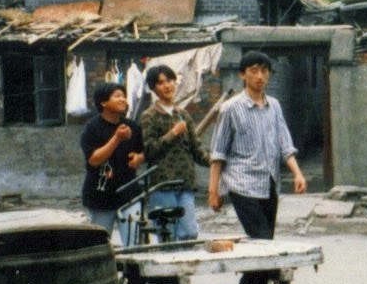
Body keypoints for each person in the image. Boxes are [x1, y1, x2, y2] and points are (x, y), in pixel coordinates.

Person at [208, 51, 308, 239]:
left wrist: (298, 174)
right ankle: (271, 270)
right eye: (253, 71)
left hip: (269, 182)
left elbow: (285, 144)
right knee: (261, 237)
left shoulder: (275, 106)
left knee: (266, 240)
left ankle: (258, 270)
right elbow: (218, 153)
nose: (259, 76)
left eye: (264, 71)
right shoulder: (230, 108)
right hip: (242, 184)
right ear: (242, 74)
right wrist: (213, 191)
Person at [140, 63, 210, 241]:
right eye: (161, 83)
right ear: (154, 88)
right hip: (162, 184)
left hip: (185, 182)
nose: (167, 86)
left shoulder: (183, 115)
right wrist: (172, 134)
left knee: (189, 233)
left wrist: (216, 162)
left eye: (170, 80)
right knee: (167, 235)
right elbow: (149, 150)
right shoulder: (149, 116)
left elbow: (197, 149)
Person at [80, 80, 145, 245]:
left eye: (124, 96)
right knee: (99, 244)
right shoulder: (92, 128)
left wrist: (139, 158)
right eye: (117, 96)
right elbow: (94, 160)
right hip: (100, 196)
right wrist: (117, 138)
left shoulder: (132, 127)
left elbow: (145, 151)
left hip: (129, 193)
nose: (123, 99)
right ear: (103, 102)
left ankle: (132, 271)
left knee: (134, 243)